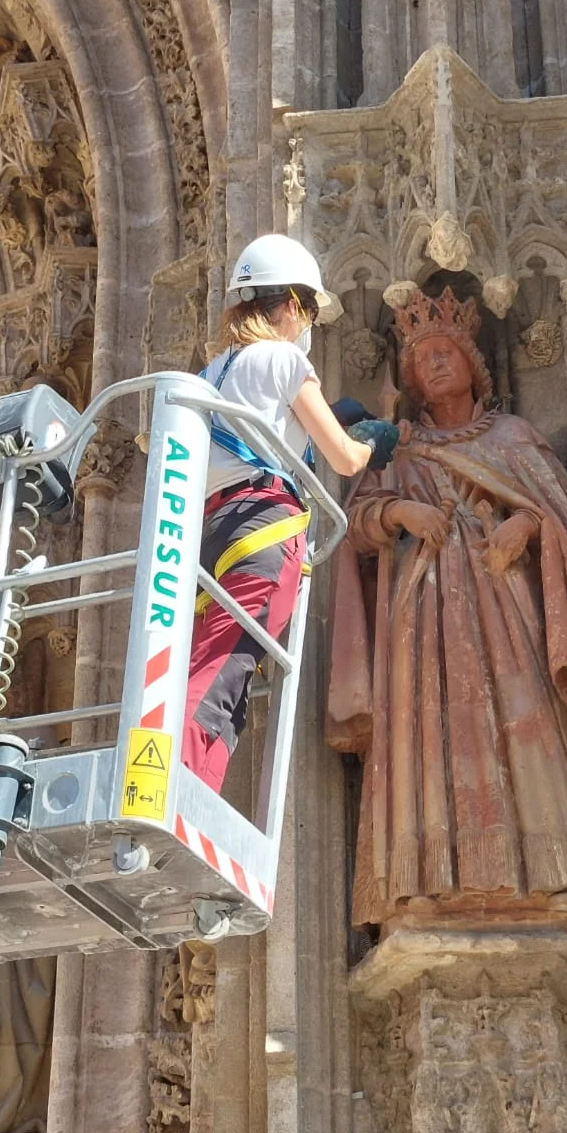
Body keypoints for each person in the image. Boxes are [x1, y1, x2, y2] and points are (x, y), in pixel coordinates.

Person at [327, 281, 567, 930]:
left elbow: (564, 521)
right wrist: (396, 508)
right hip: (422, 617)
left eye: (447, 350)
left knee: (524, 720)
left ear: (474, 365)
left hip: (506, 609)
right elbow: (350, 526)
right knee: (427, 734)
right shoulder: (395, 447)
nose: (434, 362)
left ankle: (548, 878)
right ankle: (423, 888)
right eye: (422, 355)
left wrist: (526, 525)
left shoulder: (516, 439)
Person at [183, 234, 398, 792]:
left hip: (212, 532)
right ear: (287, 306)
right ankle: (176, 787)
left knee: (212, 660)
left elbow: (259, 431)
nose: (307, 325)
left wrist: (326, 415)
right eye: (306, 310)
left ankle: (188, 785)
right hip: (263, 530)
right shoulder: (284, 358)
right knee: (223, 672)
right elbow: (346, 459)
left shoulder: (211, 373)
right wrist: (372, 437)